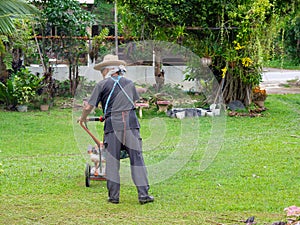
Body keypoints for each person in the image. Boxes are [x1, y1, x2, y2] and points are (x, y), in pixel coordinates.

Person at [78, 54, 154, 204]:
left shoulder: (101, 85)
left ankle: (113, 197)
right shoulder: (129, 83)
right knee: (137, 160)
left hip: (113, 126)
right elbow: (132, 103)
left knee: (112, 162)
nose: (102, 74)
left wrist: (82, 118)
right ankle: (144, 196)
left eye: (102, 71)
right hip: (131, 125)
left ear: (108, 70)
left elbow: (88, 107)